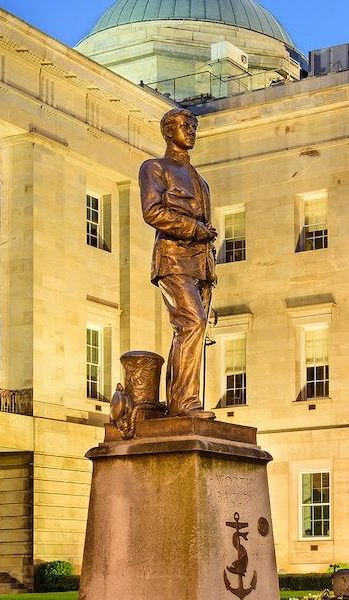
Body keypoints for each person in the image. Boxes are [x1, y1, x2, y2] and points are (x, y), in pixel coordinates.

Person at [140, 108, 218, 419]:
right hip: (172, 258)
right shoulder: (155, 168)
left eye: (194, 125)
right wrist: (195, 229)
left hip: (201, 265)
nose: (191, 130)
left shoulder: (200, 179)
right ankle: (186, 404)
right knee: (193, 322)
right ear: (169, 132)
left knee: (190, 331)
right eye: (185, 125)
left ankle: (181, 403)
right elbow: (153, 212)